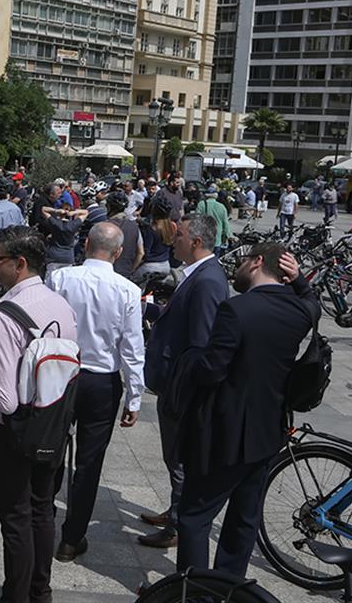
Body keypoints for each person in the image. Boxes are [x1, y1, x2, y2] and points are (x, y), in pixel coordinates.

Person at [174, 244, 318, 577]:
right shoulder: (299, 311)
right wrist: (300, 280)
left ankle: (195, 593)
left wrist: (191, 357)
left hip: (225, 432)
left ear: (257, 262)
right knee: (244, 518)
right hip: (269, 431)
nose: (236, 267)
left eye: (242, 260)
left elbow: (211, 370)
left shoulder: (236, 309)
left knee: (195, 516)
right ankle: (228, 586)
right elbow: (314, 305)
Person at [0, 226, 77, 603]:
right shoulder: (62, 305)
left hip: (12, 434)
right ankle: (40, 592)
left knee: (16, 521)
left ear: (19, 264)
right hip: (53, 423)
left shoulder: (2, 318)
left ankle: (16, 597)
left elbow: (4, 399)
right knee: (42, 511)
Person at [46, 223, 145, 562]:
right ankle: (72, 538)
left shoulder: (60, 278)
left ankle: (44, 519)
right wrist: (134, 396)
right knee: (89, 462)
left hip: (63, 373)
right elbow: (132, 348)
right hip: (102, 381)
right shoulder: (127, 290)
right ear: (118, 253)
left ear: (85, 243)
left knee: (51, 449)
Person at [138, 214, 229, 549]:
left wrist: (185, 390)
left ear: (196, 242)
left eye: (179, 236)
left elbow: (202, 342)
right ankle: (175, 510)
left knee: (179, 459)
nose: (172, 240)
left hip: (182, 388)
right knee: (172, 457)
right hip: (173, 382)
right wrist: (150, 312)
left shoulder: (207, 281)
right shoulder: (197, 274)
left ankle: (177, 524)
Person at [132, 197, 176, 284]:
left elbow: (144, 253)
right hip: (165, 265)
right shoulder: (170, 227)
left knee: (132, 282)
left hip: (150, 267)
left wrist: (132, 269)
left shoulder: (151, 229)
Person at [38, 202, 87, 276]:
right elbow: (86, 212)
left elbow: (43, 209)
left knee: (50, 278)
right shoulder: (73, 225)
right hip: (67, 257)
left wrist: (56, 211)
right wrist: (74, 212)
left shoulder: (55, 223)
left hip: (54, 256)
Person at [104, 191, 143, 279]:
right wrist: (131, 270)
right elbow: (141, 253)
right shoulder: (134, 226)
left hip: (107, 274)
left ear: (109, 207)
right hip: (125, 273)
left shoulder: (104, 226)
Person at [195, 187, 232, 255]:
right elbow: (225, 224)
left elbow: (196, 220)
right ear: (216, 195)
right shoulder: (222, 207)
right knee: (215, 258)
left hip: (204, 238)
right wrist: (229, 235)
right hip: (217, 239)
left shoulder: (201, 204)